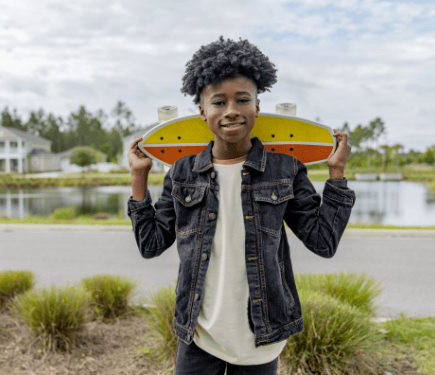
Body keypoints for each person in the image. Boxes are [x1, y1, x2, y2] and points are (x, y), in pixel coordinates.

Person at [127, 36, 355, 375]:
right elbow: (150, 245)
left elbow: (322, 242)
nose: (231, 110)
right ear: (203, 112)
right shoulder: (182, 173)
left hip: (260, 338)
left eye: (242, 99)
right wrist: (139, 180)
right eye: (219, 102)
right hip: (198, 337)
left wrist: (336, 174)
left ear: (257, 107)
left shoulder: (285, 169)